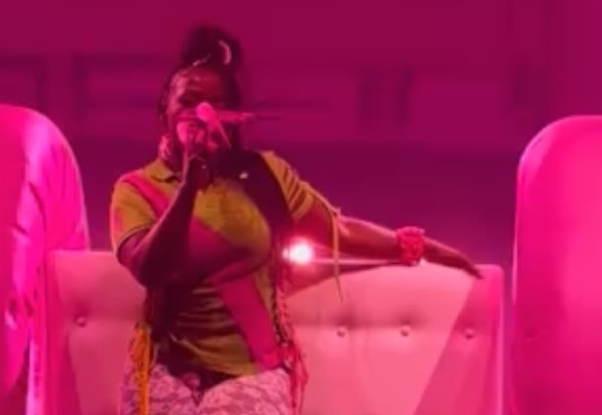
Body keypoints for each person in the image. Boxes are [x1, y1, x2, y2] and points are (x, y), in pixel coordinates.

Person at [108, 25, 480, 415]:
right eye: (189, 101)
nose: (203, 113)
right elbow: (149, 268)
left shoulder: (263, 175)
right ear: (164, 110)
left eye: (216, 104)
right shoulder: (137, 189)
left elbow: (338, 231)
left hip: (253, 369)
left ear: (232, 118)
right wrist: (188, 187)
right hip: (166, 367)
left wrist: (417, 247)